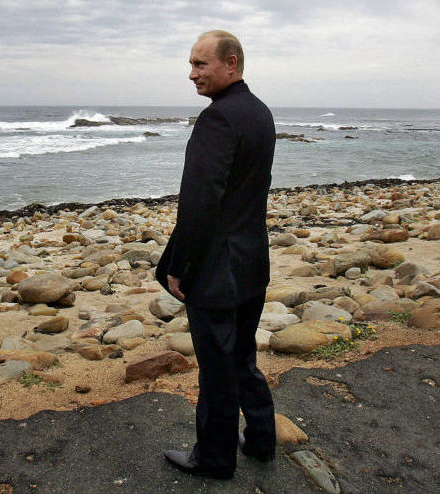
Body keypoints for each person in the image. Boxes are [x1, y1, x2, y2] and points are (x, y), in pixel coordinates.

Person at [156, 30, 276, 480]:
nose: (192, 74)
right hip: (251, 261)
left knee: (217, 369)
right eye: (190, 64)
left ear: (231, 63)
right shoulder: (259, 112)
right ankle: (261, 439)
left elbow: (201, 202)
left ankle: (214, 458)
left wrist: (180, 268)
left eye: (201, 65)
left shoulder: (218, 119)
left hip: (217, 270)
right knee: (242, 357)